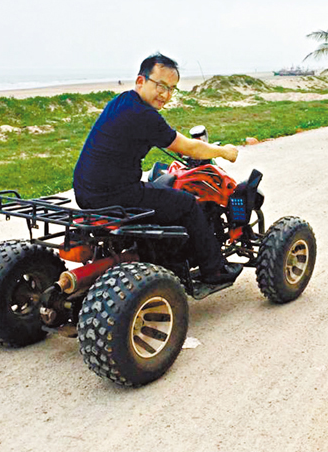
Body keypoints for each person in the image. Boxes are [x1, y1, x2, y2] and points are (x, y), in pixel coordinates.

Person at [73, 53, 241, 284]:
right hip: (115, 194)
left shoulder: (122, 102)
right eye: (160, 85)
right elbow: (191, 148)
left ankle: (169, 257)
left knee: (160, 193)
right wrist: (224, 151)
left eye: (172, 89)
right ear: (141, 81)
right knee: (187, 204)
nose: (166, 94)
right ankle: (215, 269)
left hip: (85, 192)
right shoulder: (144, 115)